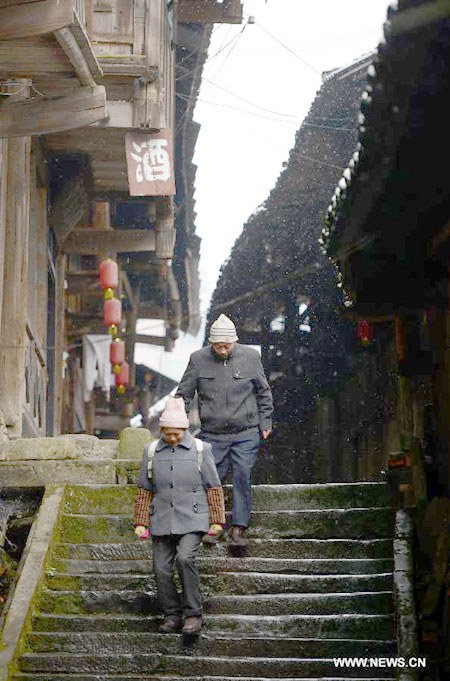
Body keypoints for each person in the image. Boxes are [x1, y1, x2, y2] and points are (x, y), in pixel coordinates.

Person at [176, 313, 273, 548]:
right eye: (217, 346)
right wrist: (178, 423)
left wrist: (266, 422)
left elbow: (263, 392)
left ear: (235, 341)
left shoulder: (251, 357)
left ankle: (239, 527)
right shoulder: (198, 360)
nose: (222, 350)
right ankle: (214, 524)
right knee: (212, 478)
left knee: (242, 474)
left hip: (246, 431)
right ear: (210, 343)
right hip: (212, 434)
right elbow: (183, 394)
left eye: (226, 346)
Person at [133, 397, 225, 634]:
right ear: (162, 430)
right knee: (161, 567)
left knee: (185, 558)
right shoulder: (151, 451)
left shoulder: (202, 450)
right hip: (162, 518)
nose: (172, 438)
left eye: (177, 433)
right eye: (167, 433)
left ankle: (193, 615)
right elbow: (144, 489)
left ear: (185, 429)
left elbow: (213, 487)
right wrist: (141, 522)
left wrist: (217, 520)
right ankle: (171, 615)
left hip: (193, 518)